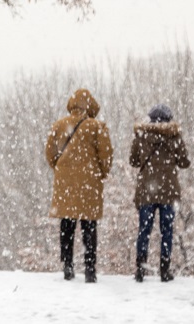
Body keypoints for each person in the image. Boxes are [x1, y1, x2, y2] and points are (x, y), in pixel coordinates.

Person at [45, 87, 114, 283]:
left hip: (65, 182)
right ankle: (90, 268)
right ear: (91, 105)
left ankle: (68, 266)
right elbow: (106, 155)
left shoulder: (59, 125)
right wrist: (101, 172)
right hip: (89, 183)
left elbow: (50, 154)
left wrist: (61, 169)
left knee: (67, 224)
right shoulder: (96, 127)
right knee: (89, 225)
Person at [130, 103, 190, 282]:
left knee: (144, 230)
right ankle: (165, 270)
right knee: (167, 231)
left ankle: (140, 269)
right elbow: (184, 162)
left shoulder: (141, 136)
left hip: (147, 189)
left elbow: (133, 161)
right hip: (168, 190)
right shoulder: (175, 136)